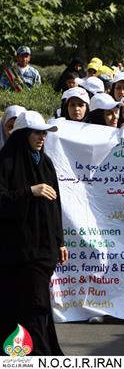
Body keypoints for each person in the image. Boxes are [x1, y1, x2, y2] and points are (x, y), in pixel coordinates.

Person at [0, 111, 68, 355]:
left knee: (37, 305)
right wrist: (30, 191)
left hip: (44, 249)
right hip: (17, 251)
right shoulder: (6, 162)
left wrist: (60, 241)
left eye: (44, 133)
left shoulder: (46, 163)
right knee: (28, 306)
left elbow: (55, 205)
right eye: (37, 132)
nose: (42, 137)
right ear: (23, 134)